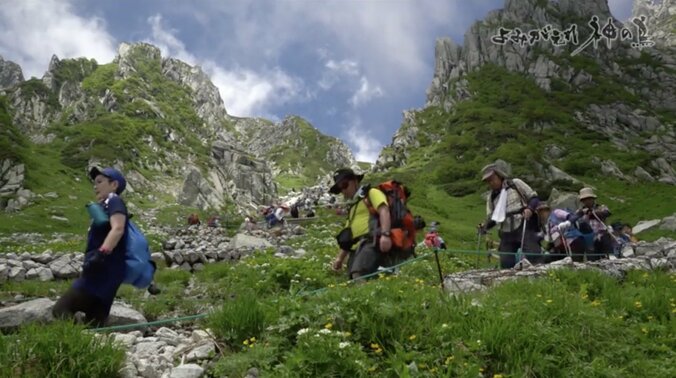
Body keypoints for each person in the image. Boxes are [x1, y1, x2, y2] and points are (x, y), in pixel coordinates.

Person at [52, 167, 129, 327]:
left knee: (60, 309)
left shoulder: (114, 201)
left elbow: (118, 228)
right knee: (95, 322)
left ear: (114, 184)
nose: (95, 186)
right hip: (110, 273)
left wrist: (100, 254)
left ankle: (74, 340)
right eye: (94, 183)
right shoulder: (105, 206)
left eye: (100, 182)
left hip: (99, 272)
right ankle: (87, 346)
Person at [329, 168, 402, 280]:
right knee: (354, 278)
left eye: (344, 185)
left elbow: (384, 209)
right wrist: (339, 259)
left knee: (358, 274)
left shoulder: (372, 193)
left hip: (372, 241)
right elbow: (348, 237)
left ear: (355, 181)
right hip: (356, 248)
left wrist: (385, 235)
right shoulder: (352, 207)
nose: (343, 190)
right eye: (339, 189)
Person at [478, 163, 542, 268]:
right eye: (488, 181)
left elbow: (534, 198)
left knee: (534, 256)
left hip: (524, 225)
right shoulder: (491, 197)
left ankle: (540, 278)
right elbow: (493, 219)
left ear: (499, 175)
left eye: (492, 179)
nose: (491, 183)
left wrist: (530, 209)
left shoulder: (516, 184)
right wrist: (484, 226)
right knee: (506, 263)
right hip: (505, 232)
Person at [569, 187, 612, 260]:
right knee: (592, 257)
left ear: (593, 199)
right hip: (588, 238)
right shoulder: (580, 211)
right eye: (585, 200)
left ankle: (608, 256)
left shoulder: (601, 207)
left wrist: (593, 213)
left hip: (601, 234)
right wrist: (582, 213)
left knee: (605, 239)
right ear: (582, 201)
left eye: (589, 199)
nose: (588, 201)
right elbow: (574, 220)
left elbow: (607, 213)